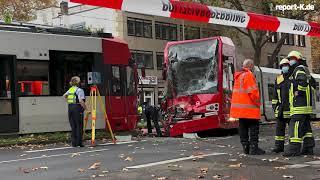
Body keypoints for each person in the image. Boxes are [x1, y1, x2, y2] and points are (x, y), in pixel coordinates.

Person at [230, 59, 265, 155]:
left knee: (243, 129)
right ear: (251, 66)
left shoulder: (238, 76)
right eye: (253, 66)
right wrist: (258, 104)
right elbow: (253, 93)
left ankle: (246, 147)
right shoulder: (249, 75)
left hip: (240, 111)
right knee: (254, 129)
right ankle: (254, 148)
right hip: (250, 109)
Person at [284, 51, 316, 157]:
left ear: (297, 59)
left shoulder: (299, 69)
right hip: (304, 106)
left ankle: (294, 149)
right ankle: (308, 148)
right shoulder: (304, 69)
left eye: (292, 58)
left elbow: (302, 82)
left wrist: (298, 92)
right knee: (306, 129)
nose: (290, 61)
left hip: (299, 106)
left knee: (295, 126)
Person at [271, 58, 291, 153]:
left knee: (292, 131)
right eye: (283, 66)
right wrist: (275, 107)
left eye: (286, 65)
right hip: (281, 110)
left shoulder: (293, 77)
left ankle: (292, 147)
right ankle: (278, 147)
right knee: (279, 131)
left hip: (291, 110)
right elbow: (275, 95)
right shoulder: (278, 79)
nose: (284, 67)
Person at [63, 76, 87, 147]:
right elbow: (81, 101)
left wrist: (69, 102)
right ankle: (79, 143)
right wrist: (86, 108)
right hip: (77, 108)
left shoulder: (70, 89)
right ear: (78, 83)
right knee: (79, 126)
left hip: (70, 108)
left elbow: (64, 96)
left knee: (73, 126)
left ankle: (74, 143)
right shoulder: (79, 90)